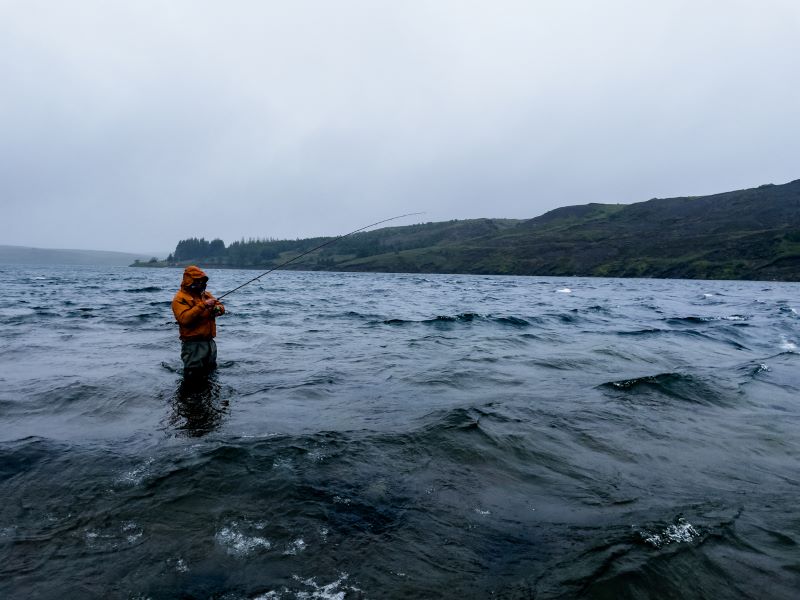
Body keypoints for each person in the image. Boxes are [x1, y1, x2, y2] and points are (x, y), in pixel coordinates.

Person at [172, 265, 225, 376]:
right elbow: (184, 319)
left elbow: (221, 307)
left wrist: (217, 309)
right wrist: (204, 305)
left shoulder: (206, 295)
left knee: (211, 373)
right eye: (198, 281)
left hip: (210, 343)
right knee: (193, 377)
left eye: (202, 281)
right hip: (193, 345)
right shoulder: (179, 298)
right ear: (189, 281)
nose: (201, 283)